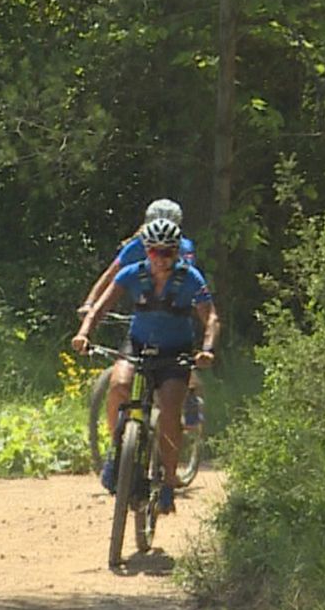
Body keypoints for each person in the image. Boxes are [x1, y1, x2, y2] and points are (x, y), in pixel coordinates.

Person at [71, 218, 217, 515]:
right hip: (138, 345)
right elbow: (101, 307)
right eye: (154, 252)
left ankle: (168, 480)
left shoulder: (191, 278)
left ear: (177, 252)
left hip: (175, 351)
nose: (160, 259)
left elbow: (211, 317)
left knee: (170, 410)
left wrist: (206, 349)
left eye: (167, 252)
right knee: (119, 386)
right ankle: (116, 451)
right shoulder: (132, 273)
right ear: (146, 251)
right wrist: (84, 333)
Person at [77, 197, 214, 437]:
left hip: (177, 306)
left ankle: (191, 393)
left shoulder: (183, 247)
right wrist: (90, 304)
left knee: (180, 355)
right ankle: (117, 444)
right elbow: (111, 275)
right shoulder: (136, 245)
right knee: (126, 371)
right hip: (143, 305)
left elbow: (187, 279)